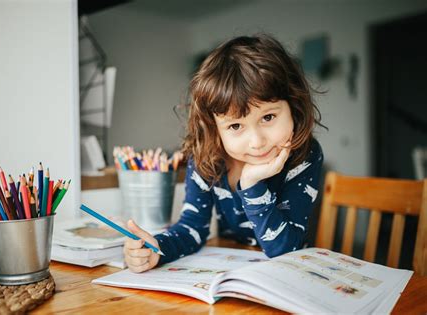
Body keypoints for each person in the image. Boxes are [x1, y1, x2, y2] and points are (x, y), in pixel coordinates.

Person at [124, 34, 325, 273]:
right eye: (235, 126)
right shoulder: (206, 157)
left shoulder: (304, 155)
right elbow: (192, 228)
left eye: (268, 117)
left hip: (289, 276)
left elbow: (285, 251)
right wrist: (157, 249)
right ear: (214, 128)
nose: (257, 142)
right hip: (236, 274)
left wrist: (251, 183)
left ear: (294, 107)